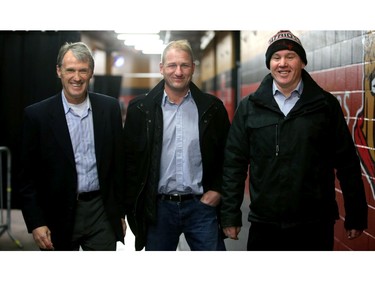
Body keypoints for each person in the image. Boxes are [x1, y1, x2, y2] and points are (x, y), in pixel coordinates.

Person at [220, 30, 368, 250]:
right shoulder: (249, 107)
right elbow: (234, 164)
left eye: (290, 57)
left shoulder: (325, 106)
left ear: (303, 62)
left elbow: (347, 163)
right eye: (276, 57)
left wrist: (356, 214)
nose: (283, 64)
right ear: (269, 64)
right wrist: (230, 215)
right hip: (265, 223)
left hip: (315, 224)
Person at [122, 39, 230, 251]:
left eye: (184, 65)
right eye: (172, 65)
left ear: (193, 68)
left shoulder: (212, 108)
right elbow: (129, 162)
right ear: (161, 68)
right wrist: (130, 207)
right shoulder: (140, 109)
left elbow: (229, 155)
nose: (178, 72)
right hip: (158, 209)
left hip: (201, 207)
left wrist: (218, 189)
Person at [18, 42, 126, 250]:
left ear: (91, 73)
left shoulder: (110, 108)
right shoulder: (36, 116)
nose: (76, 77)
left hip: (100, 212)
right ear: (59, 71)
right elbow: (26, 177)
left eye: (82, 70)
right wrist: (35, 222)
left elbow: (119, 165)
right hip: (57, 213)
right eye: (70, 70)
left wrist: (119, 212)